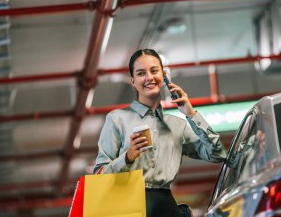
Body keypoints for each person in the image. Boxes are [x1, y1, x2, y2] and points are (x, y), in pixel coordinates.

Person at [93, 48, 227, 217]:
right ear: (133, 81)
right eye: (141, 73)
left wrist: (191, 114)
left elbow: (218, 154)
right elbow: (99, 176)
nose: (149, 77)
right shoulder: (117, 119)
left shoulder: (178, 125)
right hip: (127, 208)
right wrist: (127, 158)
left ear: (164, 76)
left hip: (165, 207)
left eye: (154, 71)